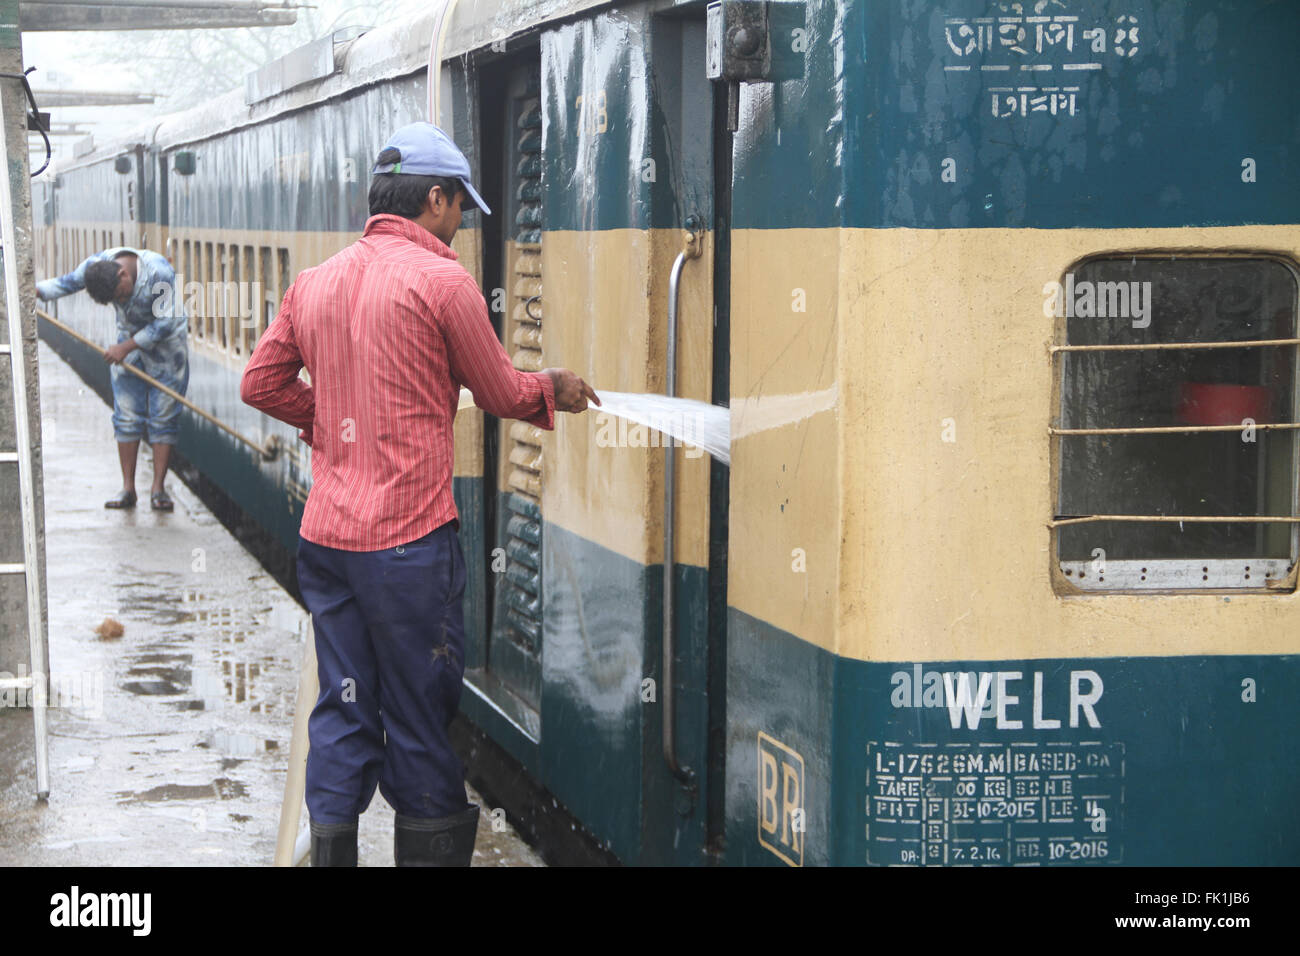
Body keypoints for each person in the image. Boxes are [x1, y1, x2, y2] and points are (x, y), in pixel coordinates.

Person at [240, 122, 599, 867]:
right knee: (415, 714)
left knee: (341, 705)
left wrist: (333, 426)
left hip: (329, 540)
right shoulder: (442, 283)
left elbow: (260, 383)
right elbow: (501, 391)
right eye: (460, 205)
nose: (462, 223)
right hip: (407, 547)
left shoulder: (316, 281)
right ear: (433, 198)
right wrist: (553, 387)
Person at [37, 248, 189, 511]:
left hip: (167, 348)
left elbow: (166, 322)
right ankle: (128, 489)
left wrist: (126, 347)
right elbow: (65, 284)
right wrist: (34, 291)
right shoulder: (94, 267)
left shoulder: (159, 273)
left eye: (122, 294)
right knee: (126, 415)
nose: (123, 300)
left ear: (123, 274)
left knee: (164, 416)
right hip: (127, 343)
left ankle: (158, 490)